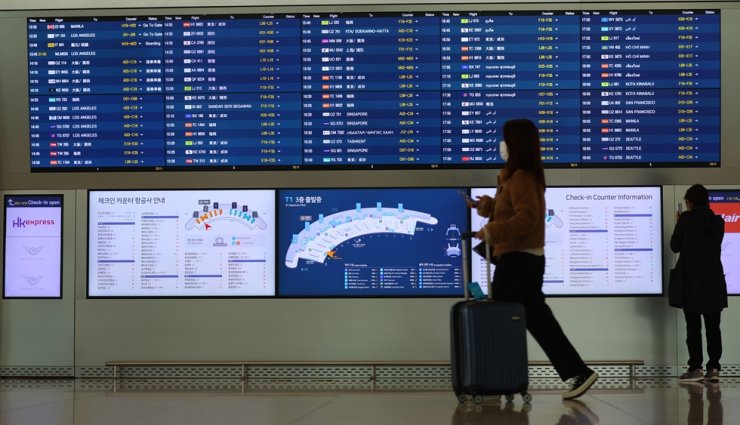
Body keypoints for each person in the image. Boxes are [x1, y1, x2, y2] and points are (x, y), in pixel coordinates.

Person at [469, 118, 598, 400]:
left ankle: (498, 379)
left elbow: (528, 218)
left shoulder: (522, 177)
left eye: (504, 140)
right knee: (538, 320)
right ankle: (577, 371)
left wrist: (492, 230)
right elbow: (511, 210)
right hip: (524, 260)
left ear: (514, 144)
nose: (501, 146)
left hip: (518, 261)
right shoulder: (515, 177)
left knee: (503, 320)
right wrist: (487, 207)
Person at [671, 184, 727, 382]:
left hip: (691, 281)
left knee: (693, 327)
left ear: (689, 203)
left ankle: (695, 368)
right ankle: (714, 368)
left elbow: (674, 246)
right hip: (713, 280)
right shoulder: (718, 222)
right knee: (713, 326)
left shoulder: (686, 220)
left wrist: (679, 222)